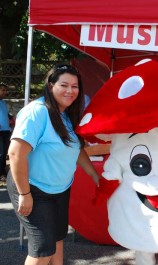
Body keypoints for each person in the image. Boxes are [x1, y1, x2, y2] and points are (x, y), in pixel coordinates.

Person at [6, 64, 101, 265]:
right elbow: (15, 154)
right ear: (50, 86)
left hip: (59, 189)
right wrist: (24, 194)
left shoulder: (66, 114)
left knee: (57, 239)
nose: (70, 91)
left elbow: (75, 149)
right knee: (42, 249)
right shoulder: (37, 112)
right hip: (32, 187)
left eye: (75, 86)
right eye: (64, 85)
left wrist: (94, 175)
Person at [0, 82, 12, 180]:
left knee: (4, 152)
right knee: (1, 153)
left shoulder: (3, 103)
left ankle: (3, 172)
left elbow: (6, 115)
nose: (5, 92)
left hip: (6, 130)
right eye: (3, 90)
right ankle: (2, 173)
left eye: (6, 90)